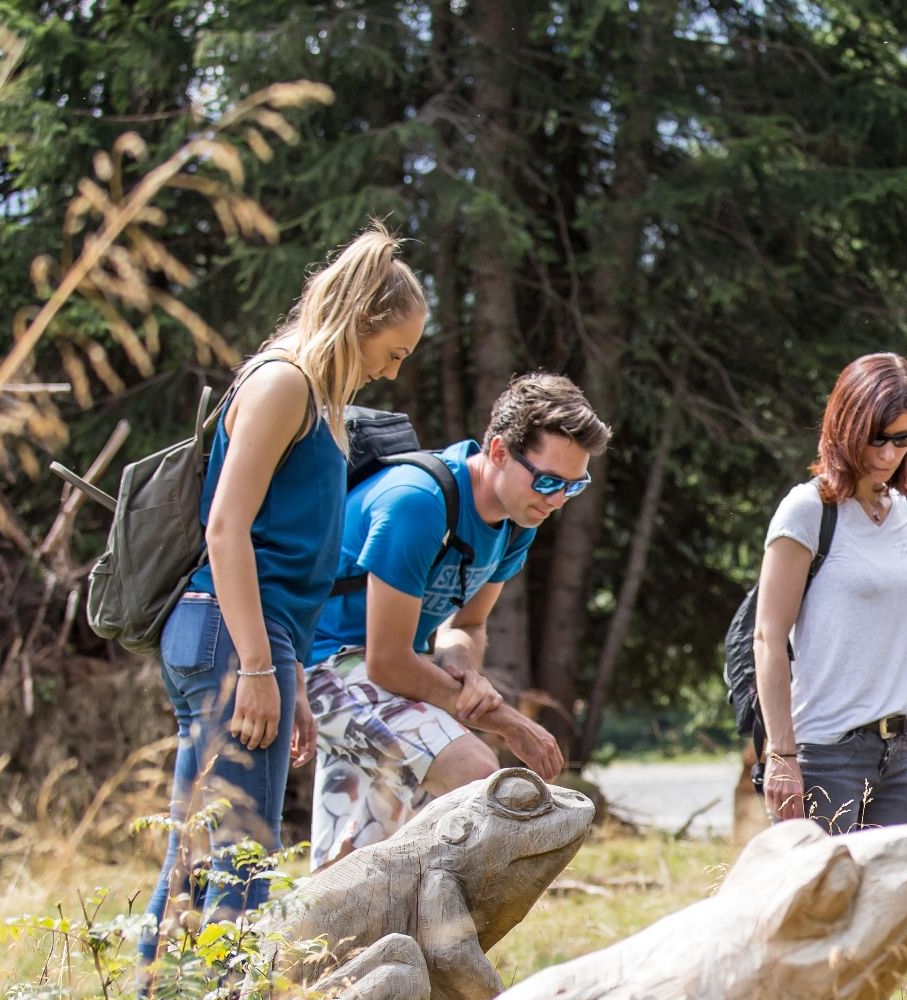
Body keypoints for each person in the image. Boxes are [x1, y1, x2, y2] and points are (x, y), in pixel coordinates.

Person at [142, 225, 424, 962]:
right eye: (392, 352)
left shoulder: (316, 398)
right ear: (361, 323)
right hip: (228, 638)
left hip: (258, 641)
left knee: (203, 859)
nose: (393, 374)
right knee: (240, 865)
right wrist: (261, 668)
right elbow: (227, 530)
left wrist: (288, 672)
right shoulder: (283, 384)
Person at [302, 373, 608, 864]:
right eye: (548, 480)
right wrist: (506, 721)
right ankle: (444, 931)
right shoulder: (418, 504)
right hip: (316, 665)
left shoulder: (516, 520)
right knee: (471, 769)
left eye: (575, 486)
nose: (556, 501)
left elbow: (466, 625)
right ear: (500, 451)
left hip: (380, 676)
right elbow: (386, 662)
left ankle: (327, 941)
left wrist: (458, 663)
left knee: (353, 860)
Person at [755, 353, 907, 832]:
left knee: (893, 907)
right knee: (821, 907)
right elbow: (768, 637)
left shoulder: (905, 514)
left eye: (903, 438)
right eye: (876, 438)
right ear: (846, 425)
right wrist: (781, 754)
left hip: (895, 755)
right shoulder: (808, 509)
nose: (887, 455)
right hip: (822, 755)